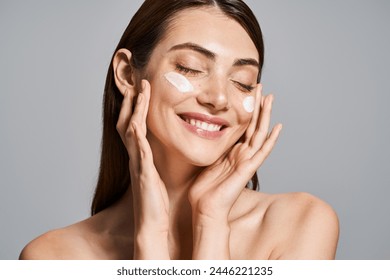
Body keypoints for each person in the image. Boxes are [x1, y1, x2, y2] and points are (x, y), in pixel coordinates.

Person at [19, 0, 339, 260]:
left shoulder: (301, 223)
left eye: (242, 82)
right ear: (128, 74)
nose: (218, 98)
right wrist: (152, 236)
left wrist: (211, 221)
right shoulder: (52, 258)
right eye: (190, 67)